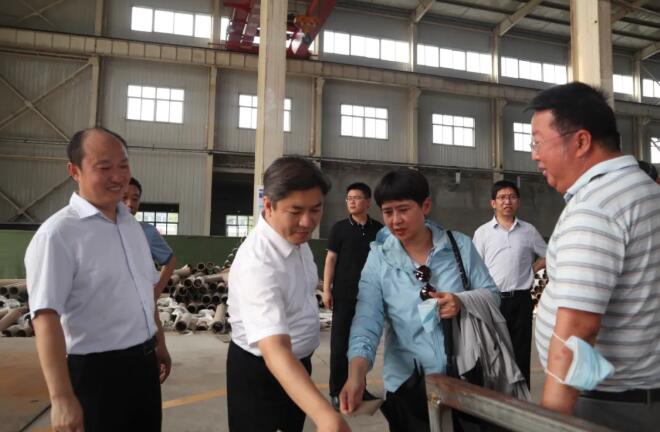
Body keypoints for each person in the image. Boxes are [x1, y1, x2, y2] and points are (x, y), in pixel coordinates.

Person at [530, 82, 660, 431]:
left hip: (610, 406)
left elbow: (576, 331)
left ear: (581, 142)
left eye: (538, 142)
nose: (534, 155)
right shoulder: (645, 190)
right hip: (642, 396)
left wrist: (548, 422)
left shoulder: (596, 207)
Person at [25, 127, 171, 432]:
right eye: (104, 168)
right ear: (74, 171)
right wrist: (61, 397)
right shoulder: (58, 235)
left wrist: (159, 341)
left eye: (123, 165)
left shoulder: (131, 225)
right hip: (96, 374)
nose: (118, 176)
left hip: (144, 366)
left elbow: (144, 291)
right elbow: (45, 317)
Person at [340, 168, 499, 431]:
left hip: (464, 378)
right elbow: (367, 321)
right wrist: (356, 374)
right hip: (408, 384)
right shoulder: (379, 258)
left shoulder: (459, 247)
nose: (395, 220)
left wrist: (461, 302)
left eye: (403, 210)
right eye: (388, 212)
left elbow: (492, 296)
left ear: (425, 206)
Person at [226, 156, 350, 432]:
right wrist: (325, 416)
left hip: (297, 367)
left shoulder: (295, 240)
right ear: (268, 205)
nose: (307, 222)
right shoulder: (257, 262)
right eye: (295, 211)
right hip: (262, 372)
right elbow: (275, 349)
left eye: (315, 209)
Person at [472, 180, 546, 387]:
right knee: (493, 352)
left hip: (522, 300)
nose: (507, 201)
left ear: (518, 202)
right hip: (493, 301)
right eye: (502, 197)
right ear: (493, 203)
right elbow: (475, 267)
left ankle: (521, 398)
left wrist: (532, 270)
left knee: (520, 353)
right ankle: (496, 397)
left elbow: (548, 254)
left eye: (512, 197)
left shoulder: (528, 231)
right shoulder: (483, 233)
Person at [323, 182, 383, 409]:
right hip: (344, 294)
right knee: (340, 345)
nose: (352, 202)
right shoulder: (339, 228)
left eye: (357, 198)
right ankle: (336, 390)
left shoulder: (378, 230)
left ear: (367, 202)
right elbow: (331, 260)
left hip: (369, 296)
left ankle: (360, 388)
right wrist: (326, 289)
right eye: (349, 198)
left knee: (363, 342)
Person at [123, 177, 178, 299]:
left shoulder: (147, 232)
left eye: (135, 199)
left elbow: (170, 261)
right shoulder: (102, 231)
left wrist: (156, 293)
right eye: (124, 198)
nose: (130, 204)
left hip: (138, 302)